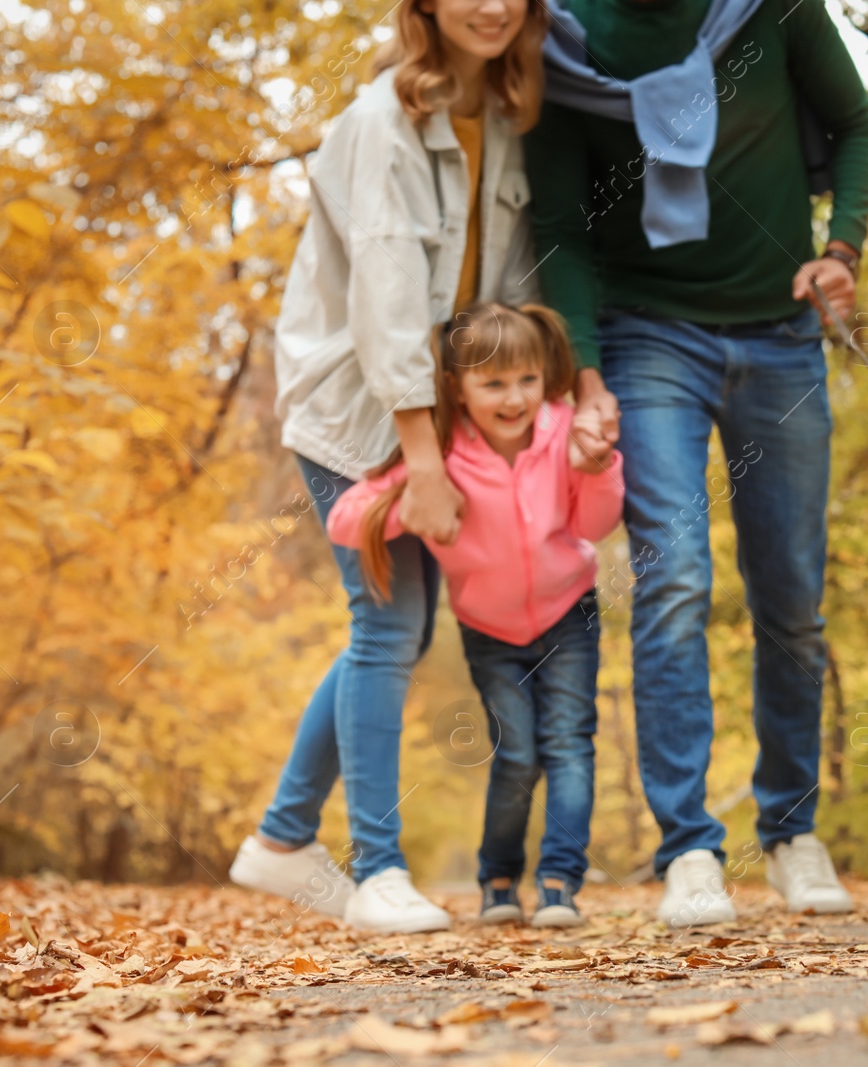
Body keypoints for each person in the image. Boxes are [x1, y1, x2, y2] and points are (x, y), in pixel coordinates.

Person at [232, 0, 616, 934]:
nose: (490, 6)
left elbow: (510, 291)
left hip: (440, 418)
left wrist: (567, 403)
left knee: (391, 629)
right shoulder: (381, 123)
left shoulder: (506, 117)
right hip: (359, 410)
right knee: (387, 626)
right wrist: (423, 458)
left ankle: (282, 839)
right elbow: (389, 298)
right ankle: (377, 869)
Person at [525, 0, 868, 925]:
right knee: (674, 579)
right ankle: (687, 846)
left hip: (781, 334)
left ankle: (793, 830)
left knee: (792, 599)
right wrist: (589, 377)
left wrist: (841, 249)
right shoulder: (566, 40)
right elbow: (560, 225)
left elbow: (854, 124)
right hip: (648, 339)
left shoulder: (774, 9)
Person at [325, 303, 622, 928]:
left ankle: (561, 883)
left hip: (570, 613)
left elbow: (596, 524)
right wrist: (417, 500)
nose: (514, 398)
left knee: (569, 744)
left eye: (526, 380)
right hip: (490, 631)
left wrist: (597, 469)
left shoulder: (564, 431)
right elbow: (344, 520)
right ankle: (498, 879)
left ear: (546, 377)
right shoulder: (439, 455)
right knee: (516, 753)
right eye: (492, 383)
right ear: (457, 388)